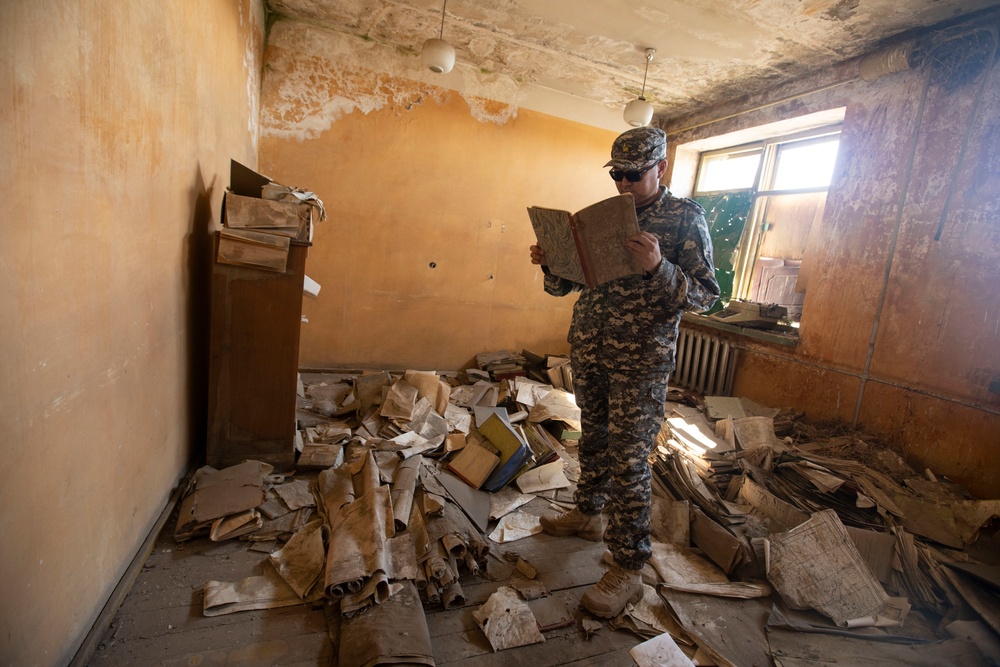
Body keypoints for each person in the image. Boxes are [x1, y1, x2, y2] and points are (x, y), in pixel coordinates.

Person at [529, 126, 719, 618]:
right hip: (591, 345)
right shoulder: (608, 218)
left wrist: (659, 267)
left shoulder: (685, 219)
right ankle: (589, 515)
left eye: (634, 175)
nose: (624, 184)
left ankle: (629, 568)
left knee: (628, 459)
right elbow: (565, 289)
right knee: (591, 438)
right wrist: (554, 263)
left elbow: (704, 297)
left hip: (641, 358)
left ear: (662, 168)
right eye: (618, 175)